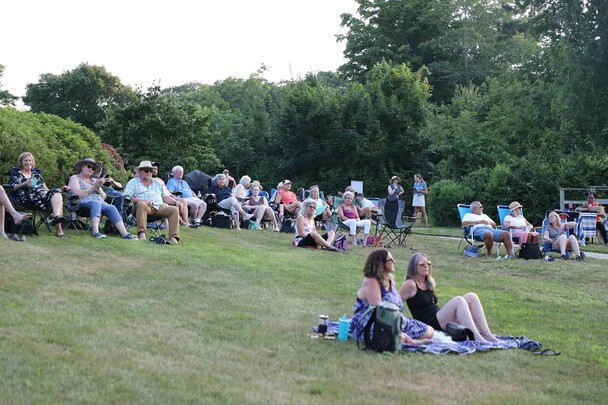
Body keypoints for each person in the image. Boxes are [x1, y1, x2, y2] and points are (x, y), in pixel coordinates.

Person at [399, 253, 498, 342]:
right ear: (414, 267)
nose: (426, 266)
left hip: (438, 318)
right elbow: (396, 303)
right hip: (428, 325)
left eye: (428, 263)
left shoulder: (428, 282)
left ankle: (487, 334)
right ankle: (476, 337)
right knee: (458, 300)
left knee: (472, 297)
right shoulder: (410, 284)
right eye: (422, 264)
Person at [349, 249, 434, 345]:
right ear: (381, 263)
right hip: (372, 322)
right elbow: (379, 312)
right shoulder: (371, 281)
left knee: (429, 331)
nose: (394, 262)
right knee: (389, 335)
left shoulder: (390, 278)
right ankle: (412, 341)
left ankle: (403, 338)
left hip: (395, 319)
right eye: (390, 260)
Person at [68, 158, 137, 240]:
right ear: (82, 167)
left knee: (111, 207)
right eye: (89, 166)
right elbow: (77, 193)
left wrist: (99, 187)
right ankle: (95, 232)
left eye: (93, 168)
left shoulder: (93, 180)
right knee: (96, 203)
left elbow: (104, 196)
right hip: (82, 202)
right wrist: (93, 188)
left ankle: (124, 234)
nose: (91, 169)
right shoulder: (75, 178)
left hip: (99, 202)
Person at [10, 152, 68, 237]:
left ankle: (56, 217)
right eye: (25, 160)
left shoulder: (36, 175)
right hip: (29, 199)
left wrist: (62, 189)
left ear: (32, 162)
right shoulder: (17, 174)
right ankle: (58, 229)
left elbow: (46, 189)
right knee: (60, 202)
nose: (28, 162)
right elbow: (13, 187)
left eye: (30, 160)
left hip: (43, 197)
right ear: (21, 162)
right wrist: (24, 184)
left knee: (57, 192)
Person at [123, 161, 181, 243]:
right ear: (140, 171)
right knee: (141, 204)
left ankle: (173, 238)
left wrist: (175, 202)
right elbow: (126, 196)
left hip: (159, 207)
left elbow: (165, 197)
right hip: (143, 208)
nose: (149, 173)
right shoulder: (133, 182)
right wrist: (142, 200)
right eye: (146, 171)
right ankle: (142, 234)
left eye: (151, 171)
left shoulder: (158, 182)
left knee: (174, 209)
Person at [152, 161, 189, 226]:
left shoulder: (159, 180)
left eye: (156, 169)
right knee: (168, 205)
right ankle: (179, 223)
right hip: (158, 200)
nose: (155, 171)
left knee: (182, 201)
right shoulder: (147, 181)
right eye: (153, 169)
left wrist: (172, 196)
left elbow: (166, 191)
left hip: (166, 197)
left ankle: (185, 222)